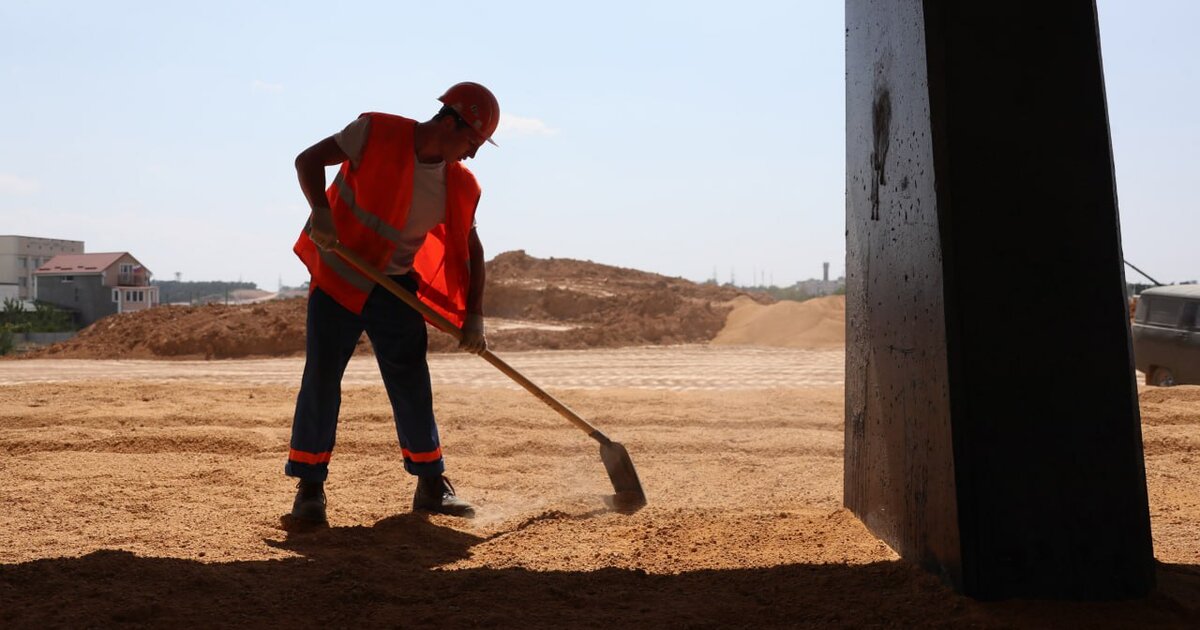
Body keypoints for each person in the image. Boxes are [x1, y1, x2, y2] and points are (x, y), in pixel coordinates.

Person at [285, 82, 500, 525]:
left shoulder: (457, 184)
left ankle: (430, 485)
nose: (473, 154)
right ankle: (310, 490)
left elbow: (472, 252)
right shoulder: (375, 132)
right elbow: (307, 160)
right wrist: (320, 214)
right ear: (449, 120)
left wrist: (474, 316)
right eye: (472, 142)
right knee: (322, 380)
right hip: (339, 278)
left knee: (412, 384)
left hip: (395, 287)